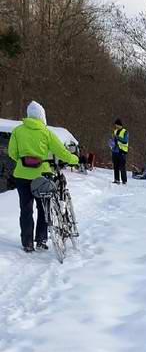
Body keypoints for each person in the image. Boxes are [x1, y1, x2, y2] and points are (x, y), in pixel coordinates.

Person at [7, 101, 79, 252]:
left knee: (25, 209)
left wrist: (22, 162)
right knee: (43, 208)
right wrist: (75, 159)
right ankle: (41, 240)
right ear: (42, 116)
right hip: (42, 177)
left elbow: (12, 152)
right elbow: (61, 152)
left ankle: (27, 243)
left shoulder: (17, 131)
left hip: (21, 176)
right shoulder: (46, 133)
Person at [111, 118, 129, 185]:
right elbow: (113, 140)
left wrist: (117, 137)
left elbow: (125, 141)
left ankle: (124, 181)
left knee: (122, 166)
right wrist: (111, 144)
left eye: (117, 125)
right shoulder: (115, 131)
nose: (116, 126)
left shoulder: (125, 132)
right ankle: (116, 179)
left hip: (122, 151)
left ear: (120, 125)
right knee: (115, 166)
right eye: (115, 125)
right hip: (115, 151)